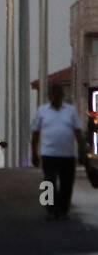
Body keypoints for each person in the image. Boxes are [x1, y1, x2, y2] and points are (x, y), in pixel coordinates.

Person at [31, 82, 85, 220]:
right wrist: (34, 153)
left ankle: (63, 210)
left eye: (58, 94)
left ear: (62, 96)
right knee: (48, 183)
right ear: (49, 96)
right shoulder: (42, 111)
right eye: (53, 94)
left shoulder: (70, 111)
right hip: (49, 154)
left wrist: (82, 151)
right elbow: (36, 133)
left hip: (67, 155)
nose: (55, 97)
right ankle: (50, 210)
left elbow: (78, 131)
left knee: (67, 184)